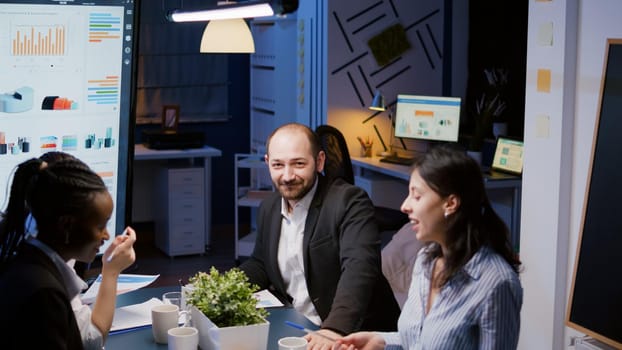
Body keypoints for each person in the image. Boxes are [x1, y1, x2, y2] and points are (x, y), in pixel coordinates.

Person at [333, 144, 523, 350]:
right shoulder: (426, 260)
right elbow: (419, 340)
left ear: (450, 203)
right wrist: (380, 341)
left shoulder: (497, 283)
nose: (404, 206)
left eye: (417, 196)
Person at [239, 123, 400, 349]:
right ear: (268, 163)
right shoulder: (270, 207)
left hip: (353, 334)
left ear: (320, 161)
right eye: (278, 165)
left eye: (299, 164)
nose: (287, 176)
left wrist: (334, 329)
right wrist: (221, 287)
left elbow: (359, 268)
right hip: (298, 326)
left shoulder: (350, 201)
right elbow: (261, 263)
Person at [0, 156, 137, 350]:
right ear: (66, 225)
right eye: (100, 226)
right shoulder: (45, 294)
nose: (106, 236)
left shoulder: (28, 262)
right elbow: (90, 341)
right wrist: (112, 271)